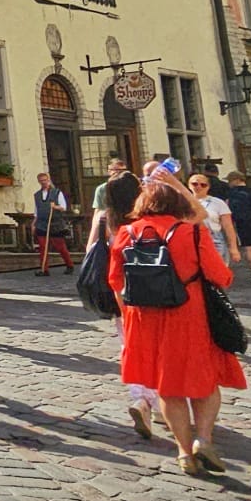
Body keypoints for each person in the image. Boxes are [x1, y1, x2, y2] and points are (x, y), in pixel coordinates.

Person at [107, 180, 247, 476]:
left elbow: (116, 283)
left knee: (168, 387)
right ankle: (204, 439)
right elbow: (220, 277)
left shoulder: (125, 233)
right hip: (189, 315)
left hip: (146, 319)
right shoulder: (191, 232)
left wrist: (129, 317)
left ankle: (183, 452)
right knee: (204, 379)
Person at [87, 172, 156, 437]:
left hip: (120, 288)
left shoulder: (106, 217)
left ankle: (140, 397)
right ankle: (159, 399)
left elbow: (92, 248)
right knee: (156, 345)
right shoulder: (147, 215)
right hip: (152, 287)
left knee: (130, 344)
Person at [186, 174, 241, 271]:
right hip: (190, 240)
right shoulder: (183, 202)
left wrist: (233, 248)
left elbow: (228, 226)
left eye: (203, 185)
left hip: (214, 240)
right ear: (189, 185)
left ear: (208, 187)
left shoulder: (218, 203)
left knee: (215, 271)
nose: (198, 187)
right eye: (195, 184)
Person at [32, 173, 74, 276]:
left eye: (45, 180)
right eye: (41, 181)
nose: (44, 182)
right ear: (39, 181)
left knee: (60, 246)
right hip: (42, 224)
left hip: (55, 223)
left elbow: (63, 207)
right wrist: (34, 223)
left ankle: (69, 265)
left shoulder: (57, 193)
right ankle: (44, 269)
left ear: (49, 180)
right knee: (42, 247)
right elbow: (36, 211)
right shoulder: (37, 195)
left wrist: (55, 207)